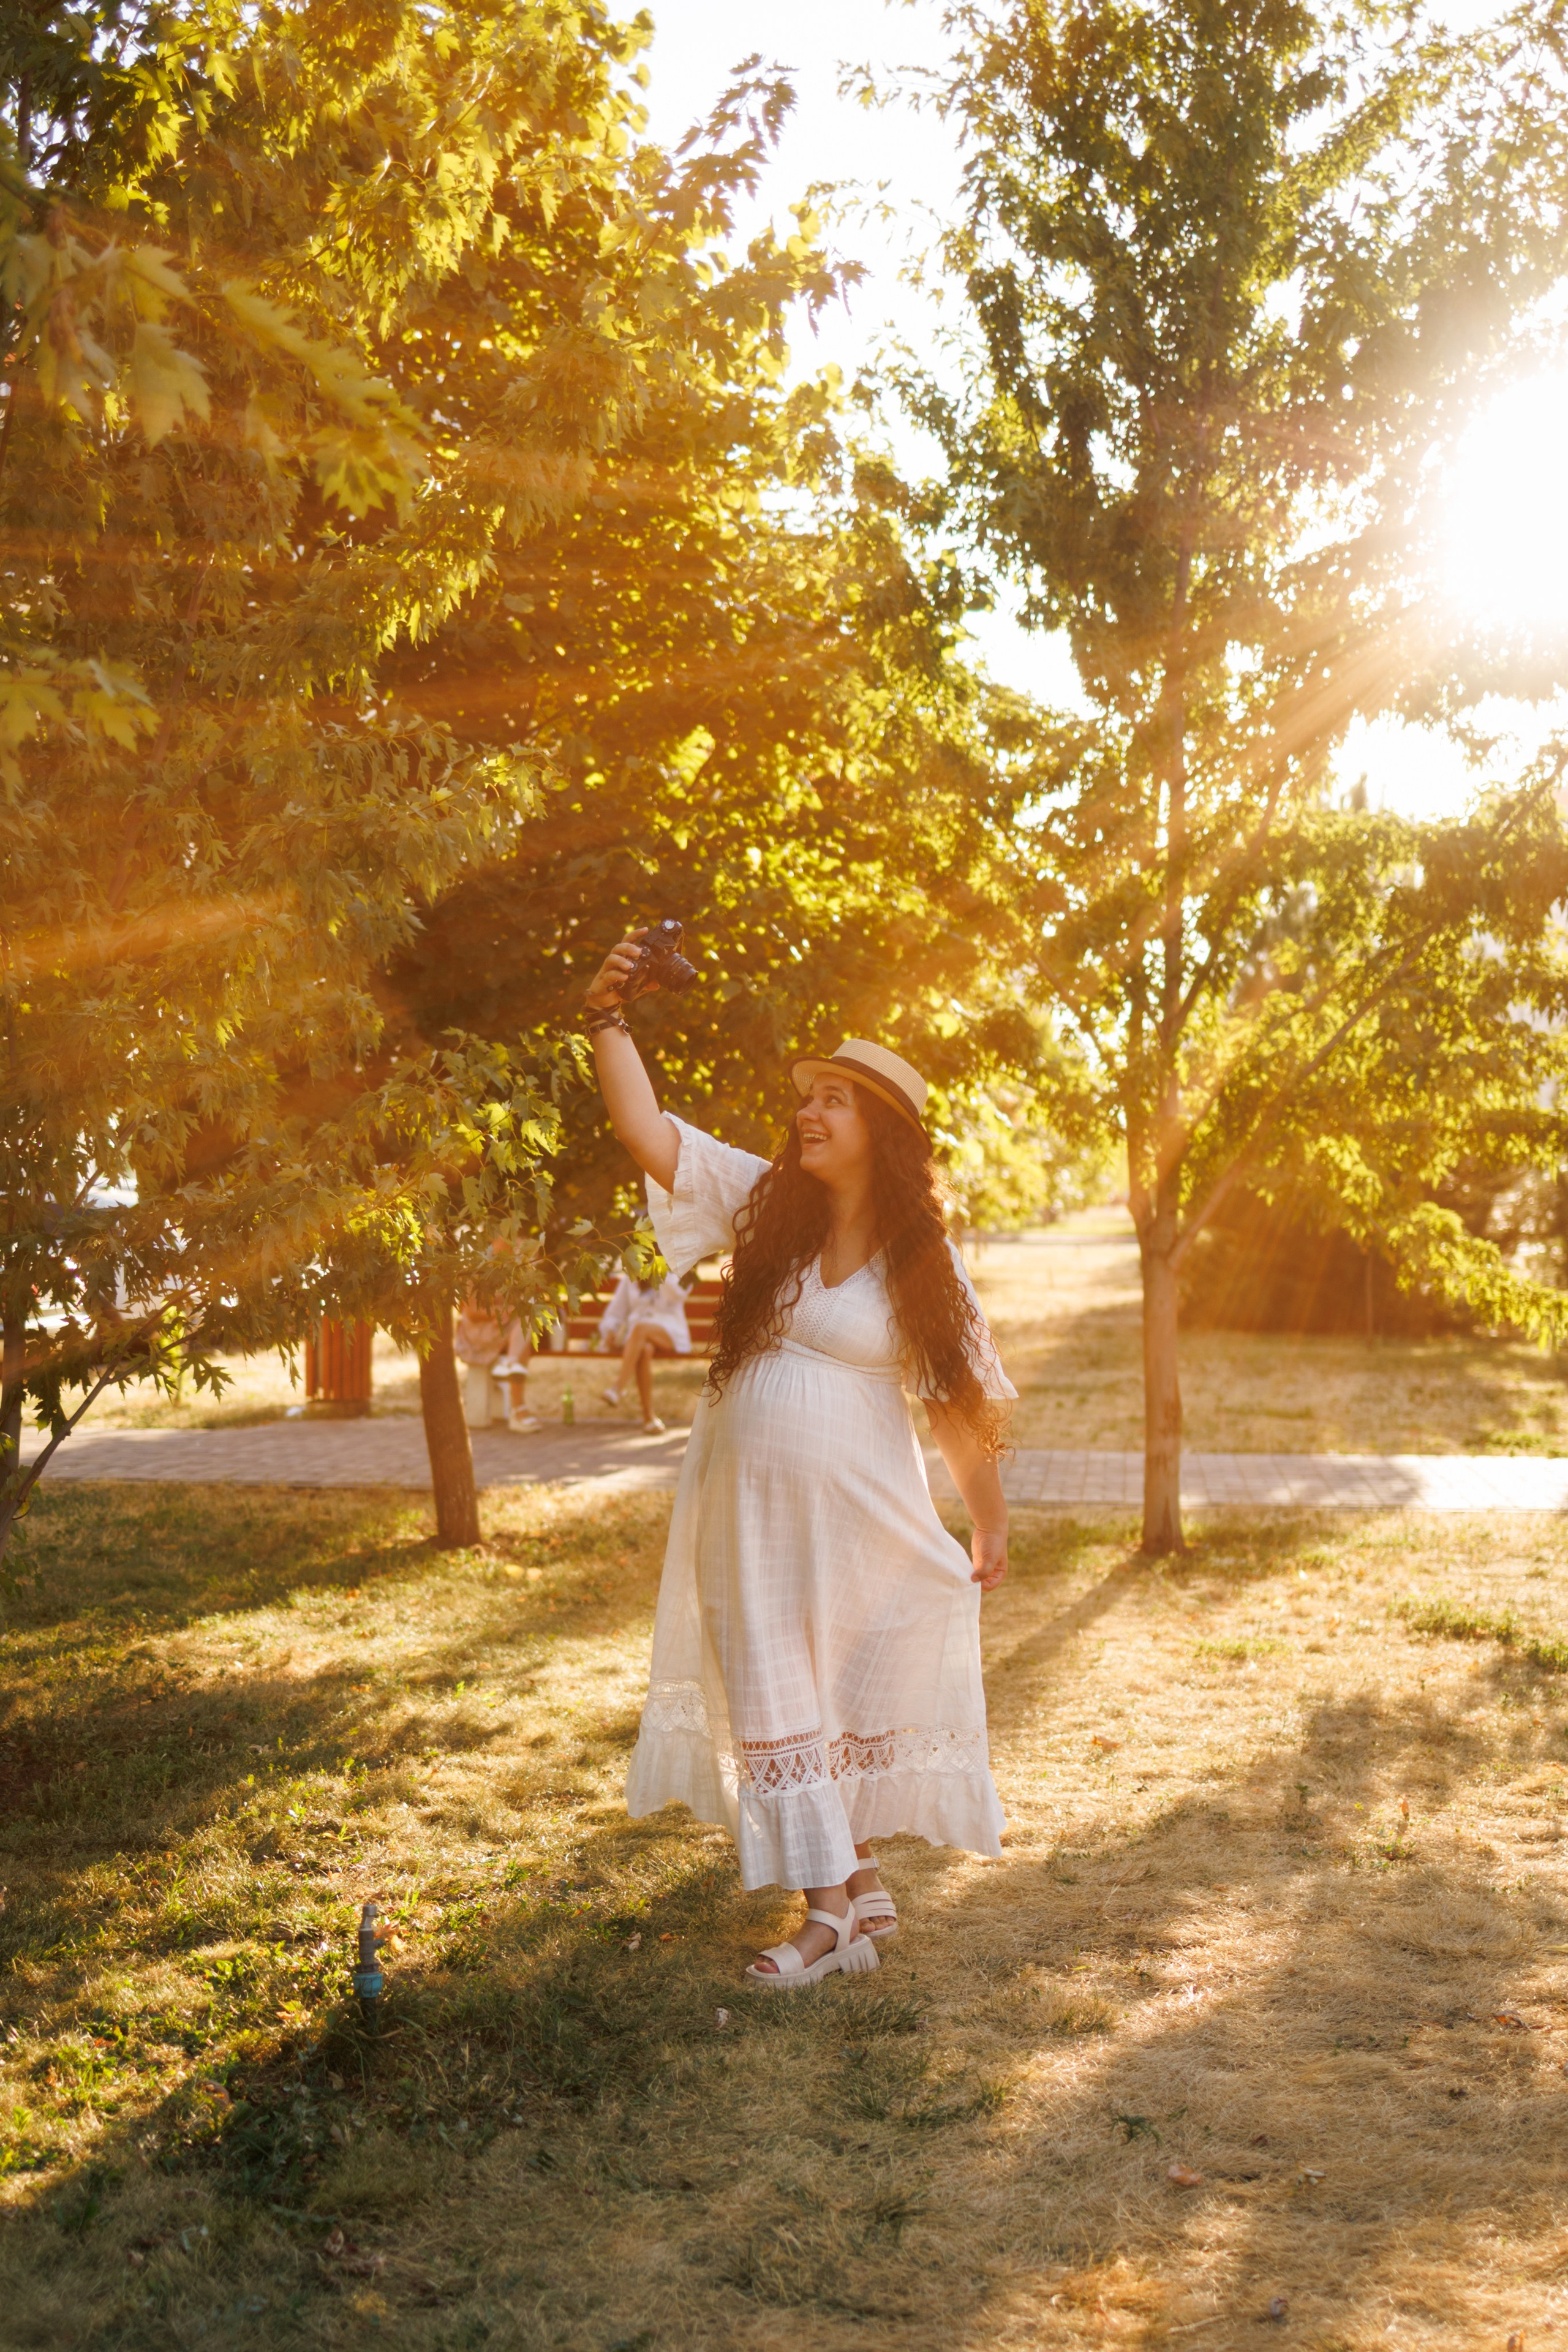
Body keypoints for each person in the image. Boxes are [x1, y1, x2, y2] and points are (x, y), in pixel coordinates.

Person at [581, 930, 1014, 1991]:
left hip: (854, 1518)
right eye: (806, 1096)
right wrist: (604, 1017)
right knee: (777, 1689)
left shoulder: (925, 1265)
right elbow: (645, 1129)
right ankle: (853, 1890)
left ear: (883, 1135)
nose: (806, 1114)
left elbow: (959, 1407)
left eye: (832, 1101)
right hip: (747, 1511)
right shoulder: (764, 1204)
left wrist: (989, 1520)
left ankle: (833, 1926)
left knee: (808, 1694)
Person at [597, 1269, 692, 1433]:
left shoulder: (676, 1270)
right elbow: (616, 1312)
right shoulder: (631, 1275)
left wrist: (659, 1270)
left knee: (640, 1329)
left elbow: (679, 1294)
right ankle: (649, 1418)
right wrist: (611, 1330)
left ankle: (618, 1388)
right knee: (645, 1350)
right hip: (638, 1338)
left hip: (670, 1331)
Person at [453, 1296, 540, 1434]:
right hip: (478, 1332)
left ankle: (511, 1365)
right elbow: (471, 1311)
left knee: (526, 1322)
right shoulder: (470, 1276)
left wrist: (509, 1313)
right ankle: (518, 1408)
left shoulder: (512, 1275)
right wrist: (500, 1314)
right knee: (524, 1330)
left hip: (503, 1327)